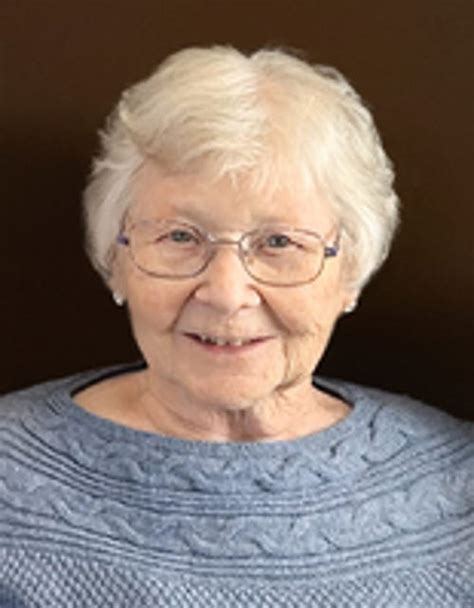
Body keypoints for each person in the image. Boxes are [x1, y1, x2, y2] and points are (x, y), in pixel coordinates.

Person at [0, 46, 472, 608]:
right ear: (115, 259)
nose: (226, 294)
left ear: (350, 272)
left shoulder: (458, 485)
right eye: (180, 237)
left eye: (279, 243)